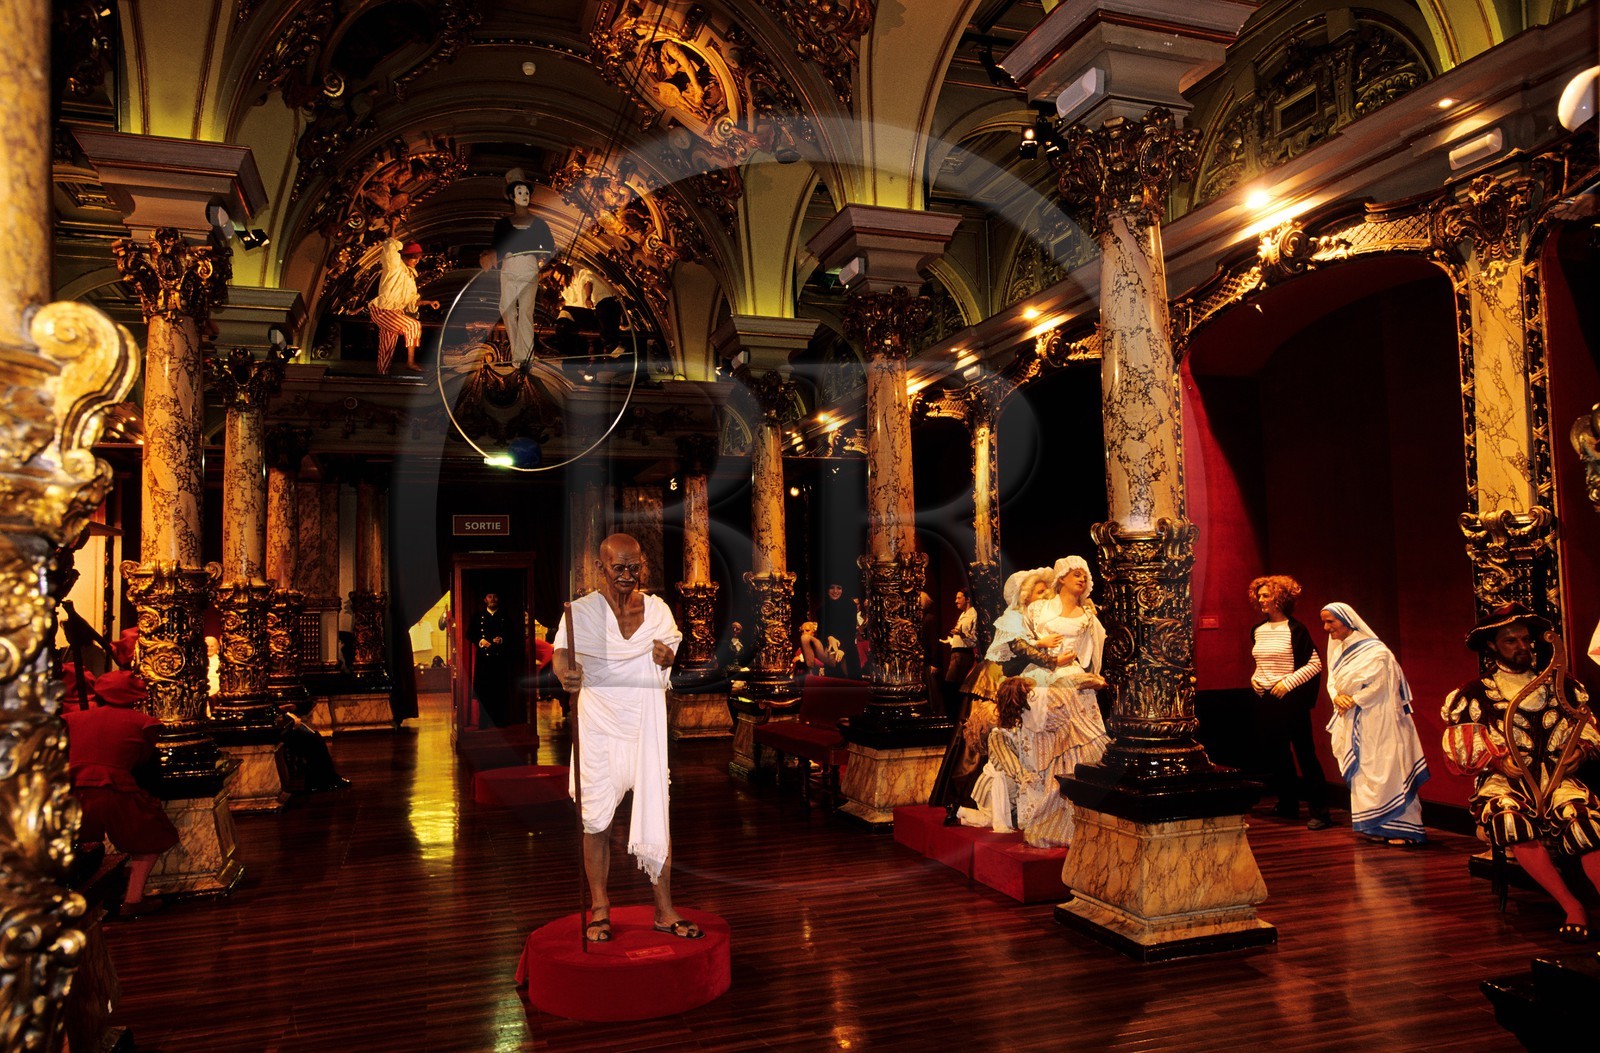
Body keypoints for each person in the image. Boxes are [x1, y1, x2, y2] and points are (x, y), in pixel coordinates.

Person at [554, 533, 700, 942]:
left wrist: (669, 657)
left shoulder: (657, 611)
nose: (627, 575)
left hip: (644, 726)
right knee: (596, 822)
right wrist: (565, 675)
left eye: (634, 567)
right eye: (618, 567)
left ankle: (664, 909)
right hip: (599, 726)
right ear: (601, 567)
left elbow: (671, 650)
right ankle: (600, 908)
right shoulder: (580, 612)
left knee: (657, 812)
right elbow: (561, 654)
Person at [1441, 603, 1600, 942]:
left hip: (1555, 777)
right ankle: (1571, 905)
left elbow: (1586, 725)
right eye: (1510, 641)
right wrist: (1497, 761)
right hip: (1505, 781)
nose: (1521, 647)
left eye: (1525, 639)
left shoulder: (1562, 686)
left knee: (1583, 820)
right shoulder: (1476, 694)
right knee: (1509, 818)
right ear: (1493, 646)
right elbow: (1463, 745)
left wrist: (1581, 751)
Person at [64, 669, 180, 917]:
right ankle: (133, 900)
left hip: (72, 791)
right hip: (114, 789)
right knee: (151, 840)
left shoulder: (72, 719)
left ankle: (73, 905)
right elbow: (143, 761)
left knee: (72, 846)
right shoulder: (145, 723)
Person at [1320, 602, 1429, 845]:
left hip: (1380, 718)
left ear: (1347, 620)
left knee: (1388, 768)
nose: (1326, 627)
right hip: (1354, 718)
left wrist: (1355, 699)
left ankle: (1403, 829)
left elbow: (1382, 684)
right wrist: (1337, 697)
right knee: (1365, 771)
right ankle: (1375, 825)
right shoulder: (1338, 650)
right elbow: (1332, 680)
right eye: (1324, 622)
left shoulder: (1376, 651)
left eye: (1331, 621)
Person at [1249, 575, 1331, 830]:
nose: (1260, 600)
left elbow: (1315, 664)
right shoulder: (1258, 630)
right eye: (1259, 595)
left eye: (1266, 595)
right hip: (1266, 698)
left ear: (1280, 599)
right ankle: (1288, 804)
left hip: (1290, 700)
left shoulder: (1296, 630)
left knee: (1305, 753)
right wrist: (1255, 677)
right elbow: (1262, 662)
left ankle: (1320, 811)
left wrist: (1288, 683)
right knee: (1277, 754)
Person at [492, 168, 555, 360]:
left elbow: (549, 246)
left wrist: (538, 253)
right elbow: (497, 247)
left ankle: (524, 358)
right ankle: (518, 353)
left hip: (528, 267)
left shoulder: (539, 224)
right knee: (507, 309)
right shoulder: (502, 224)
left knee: (526, 313)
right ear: (512, 196)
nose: (524, 196)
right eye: (520, 192)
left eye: (526, 192)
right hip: (509, 268)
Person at [368, 238, 438, 374]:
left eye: (418, 258)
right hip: (383, 311)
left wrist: (428, 302)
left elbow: (411, 303)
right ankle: (410, 362)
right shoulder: (394, 267)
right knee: (412, 325)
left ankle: (382, 374)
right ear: (405, 257)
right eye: (414, 258)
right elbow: (390, 247)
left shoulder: (410, 278)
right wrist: (393, 227)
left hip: (395, 313)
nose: (417, 261)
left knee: (387, 345)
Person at [471, 592, 517, 729]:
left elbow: (513, 634)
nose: (493, 599)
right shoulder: (478, 616)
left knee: (500, 691)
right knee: (484, 692)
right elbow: (470, 633)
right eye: (490, 597)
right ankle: (483, 722)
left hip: (500, 661)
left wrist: (502, 639)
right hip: (484, 662)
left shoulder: (505, 617)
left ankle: (500, 721)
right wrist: (480, 640)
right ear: (485, 599)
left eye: (495, 597)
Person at [943, 589, 978, 691]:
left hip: (963, 655)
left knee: (951, 685)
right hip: (956, 654)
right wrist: (951, 641)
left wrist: (962, 635)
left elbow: (974, 641)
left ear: (967, 599)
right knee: (952, 686)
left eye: (959, 598)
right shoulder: (962, 615)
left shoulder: (974, 614)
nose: (956, 601)